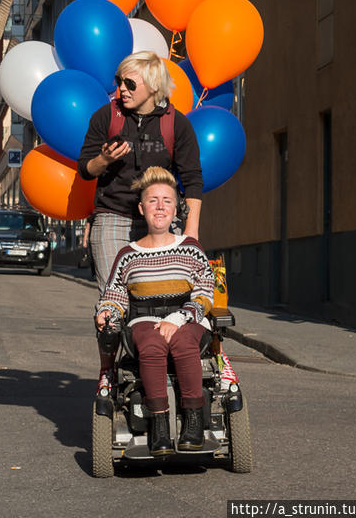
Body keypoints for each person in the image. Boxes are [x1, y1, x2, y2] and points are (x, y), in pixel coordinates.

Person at [76, 50, 203, 405]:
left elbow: (192, 180)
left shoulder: (176, 124)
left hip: (161, 217)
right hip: (114, 214)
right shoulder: (107, 116)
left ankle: (161, 364)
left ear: (153, 86)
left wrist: (190, 234)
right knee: (112, 299)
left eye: (129, 83)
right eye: (118, 82)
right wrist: (104, 159)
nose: (121, 89)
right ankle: (109, 371)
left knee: (168, 294)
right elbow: (85, 168)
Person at [96, 167, 214, 455]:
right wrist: (107, 310)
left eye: (167, 200)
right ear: (141, 208)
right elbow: (116, 293)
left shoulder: (190, 249)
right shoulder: (128, 254)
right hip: (144, 318)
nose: (160, 206)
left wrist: (179, 318)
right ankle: (159, 424)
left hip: (187, 316)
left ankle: (193, 421)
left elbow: (205, 291)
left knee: (184, 341)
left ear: (176, 209)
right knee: (151, 344)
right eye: (152, 200)